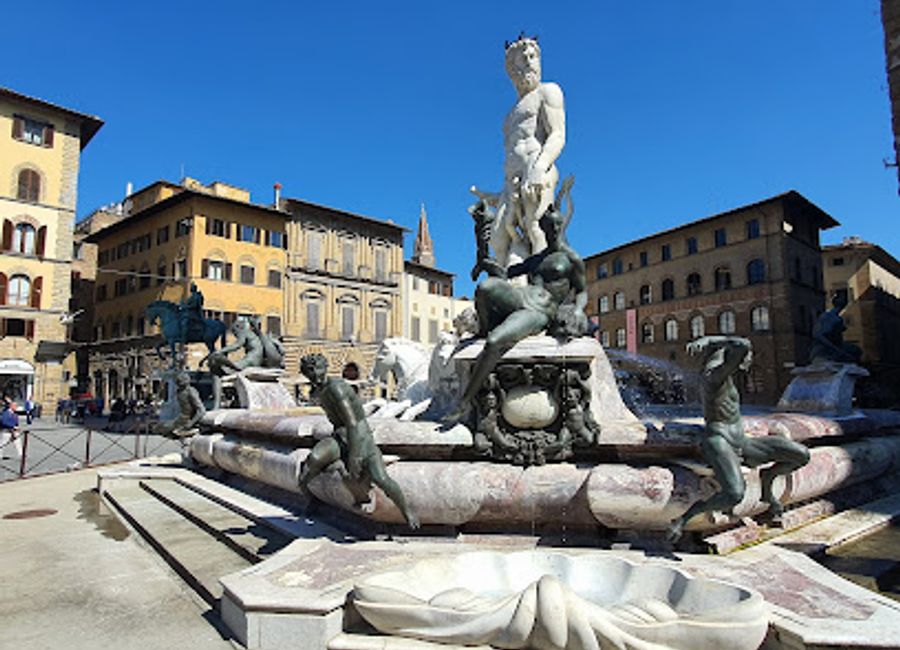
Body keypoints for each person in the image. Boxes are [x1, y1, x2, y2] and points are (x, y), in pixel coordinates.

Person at [445, 205, 587, 421]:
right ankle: (482, 329)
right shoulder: (536, 259)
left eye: (558, 224)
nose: (555, 229)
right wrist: (482, 252)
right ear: (543, 228)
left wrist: (577, 310)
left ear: (563, 225)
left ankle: (464, 402)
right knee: (486, 288)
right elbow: (503, 274)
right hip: (520, 297)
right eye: (550, 226)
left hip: (541, 310)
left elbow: (582, 291)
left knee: (495, 341)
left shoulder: (571, 259)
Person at [666, 336, 811, 542]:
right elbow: (743, 344)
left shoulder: (725, 377)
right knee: (734, 493)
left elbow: (743, 346)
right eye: (747, 358)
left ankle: (767, 483)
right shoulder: (715, 376)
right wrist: (710, 340)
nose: (748, 360)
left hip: (741, 440)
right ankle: (683, 518)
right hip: (719, 440)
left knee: (801, 455)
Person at [471, 34, 566, 269]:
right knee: (498, 236)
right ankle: (508, 286)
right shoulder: (510, 115)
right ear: (513, 70)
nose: (532, 63)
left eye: (534, 57)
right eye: (525, 59)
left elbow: (557, 135)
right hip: (510, 182)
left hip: (538, 168)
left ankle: (543, 290)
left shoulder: (549, 91)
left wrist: (539, 168)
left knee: (536, 228)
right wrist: (494, 194)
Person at [298, 353, 419, 529]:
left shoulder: (336, 388)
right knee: (312, 463)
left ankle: (407, 511)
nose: (315, 373)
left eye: (317, 368)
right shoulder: (317, 391)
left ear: (325, 367)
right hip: (339, 438)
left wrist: (354, 457)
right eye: (310, 371)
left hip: (361, 439)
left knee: (381, 478)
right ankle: (312, 499)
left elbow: (352, 423)